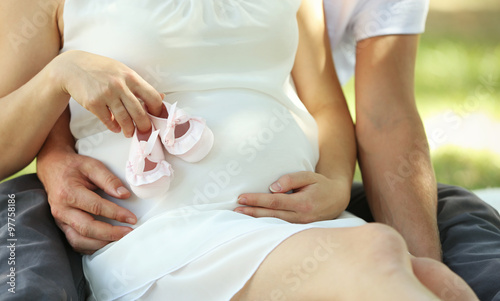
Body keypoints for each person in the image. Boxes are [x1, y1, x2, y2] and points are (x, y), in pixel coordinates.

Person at [1, 0, 480, 300]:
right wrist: (59, 74)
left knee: (442, 286)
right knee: (378, 253)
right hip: (168, 240)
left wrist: (335, 181)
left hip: (296, 227)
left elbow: (328, 108)